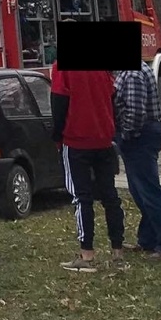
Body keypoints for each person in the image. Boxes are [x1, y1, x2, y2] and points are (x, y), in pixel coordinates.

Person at [51, 60, 127, 272]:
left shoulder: (62, 68)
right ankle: (118, 250)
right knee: (110, 196)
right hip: (103, 139)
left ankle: (87, 254)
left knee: (81, 197)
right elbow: (113, 97)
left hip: (76, 140)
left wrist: (57, 136)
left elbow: (59, 103)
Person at [113, 60, 161, 261]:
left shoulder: (132, 73)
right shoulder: (134, 69)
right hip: (143, 135)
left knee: (149, 191)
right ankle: (148, 240)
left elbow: (135, 112)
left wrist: (125, 136)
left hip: (140, 137)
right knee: (140, 190)